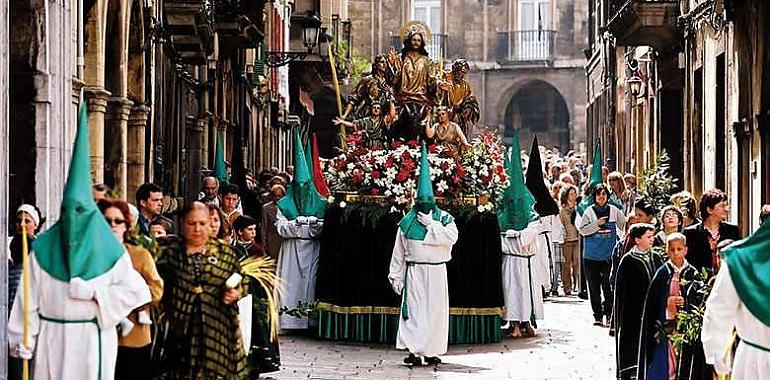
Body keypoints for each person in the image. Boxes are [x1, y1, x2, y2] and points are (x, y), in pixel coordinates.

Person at [8, 102, 151, 380]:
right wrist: (21, 338)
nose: (74, 219)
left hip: (92, 340)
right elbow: (28, 300)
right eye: (68, 212)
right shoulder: (42, 250)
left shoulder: (110, 252)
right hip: (51, 341)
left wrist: (98, 295)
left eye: (80, 212)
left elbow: (139, 291)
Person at [155, 202, 248, 379]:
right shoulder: (170, 254)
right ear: (182, 223)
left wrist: (237, 293)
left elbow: (242, 281)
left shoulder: (225, 253)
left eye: (202, 223)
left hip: (218, 329)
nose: (197, 228)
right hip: (181, 332)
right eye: (192, 223)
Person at [388, 143, 458, 365]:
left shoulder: (444, 219)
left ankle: (431, 350)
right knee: (416, 312)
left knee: (435, 312)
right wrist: (395, 277)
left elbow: (451, 238)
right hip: (415, 272)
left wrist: (432, 226)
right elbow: (398, 252)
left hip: (437, 272)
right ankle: (415, 351)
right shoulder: (407, 222)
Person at [97, 198, 164, 380]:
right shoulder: (91, 256)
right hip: (99, 336)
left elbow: (156, 289)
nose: (112, 226)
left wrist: (131, 302)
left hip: (134, 337)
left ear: (127, 226)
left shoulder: (140, 255)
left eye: (118, 221)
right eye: (106, 221)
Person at [702, 219, 770, 379]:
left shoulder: (740, 259)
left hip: (753, 361)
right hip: (755, 362)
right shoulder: (741, 260)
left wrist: (718, 355)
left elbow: (718, 310)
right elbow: (719, 310)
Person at [637, 233, 708, 380]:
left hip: (684, 331)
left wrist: (686, 303)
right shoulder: (662, 274)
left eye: (679, 249)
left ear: (686, 250)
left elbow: (700, 303)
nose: (676, 253)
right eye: (672, 249)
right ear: (667, 250)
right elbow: (652, 305)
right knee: (664, 365)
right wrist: (666, 303)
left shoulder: (692, 274)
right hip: (664, 328)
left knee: (683, 363)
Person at [275, 133, 327, 330]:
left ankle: (309, 321)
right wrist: (296, 224)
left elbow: (324, 228)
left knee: (309, 284)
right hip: (291, 250)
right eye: (299, 186)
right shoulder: (284, 204)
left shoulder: (320, 204)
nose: (303, 190)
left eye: (306, 186)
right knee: (290, 285)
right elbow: (280, 228)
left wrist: (314, 224)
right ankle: (289, 320)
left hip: (312, 249)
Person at [498, 133, 545, 338]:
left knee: (526, 293)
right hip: (510, 262)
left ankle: (526, 322)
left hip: (526, 262)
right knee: (512, 293)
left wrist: (516, 236)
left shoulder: (531, 216)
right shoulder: (502, 216)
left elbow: (532, 233)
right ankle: (514, 323)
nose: (515, 205)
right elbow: (501, 241)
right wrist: (510, 239)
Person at [613, 223, 661, 380]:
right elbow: (620, 292)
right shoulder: (627, 261)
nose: (652, 239)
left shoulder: (655, 257)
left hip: (652, 311)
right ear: (637, 240)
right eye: (648, 237)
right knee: (631, 343)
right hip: (632, 312)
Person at [578, 184, 627, 326]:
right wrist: (596, 225)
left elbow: (624, 225)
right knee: (594, 288)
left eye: (604, 194)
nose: (601, 197)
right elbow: (582, 230)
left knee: (608, 285)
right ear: (594, 197)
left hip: (609, 256)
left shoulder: (614, 211)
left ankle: (609, 313)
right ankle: (598, 316)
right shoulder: (589, 212)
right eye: (598, 194)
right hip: (591, 257)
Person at [7, 204, 43, 380]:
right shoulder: (8, 245)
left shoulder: (40, 250)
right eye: (18, 220)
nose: (21, 224)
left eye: (27, 221)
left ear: (34, 224)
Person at [682, 188, 741, 276]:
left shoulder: (732, 230)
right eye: (722, 206)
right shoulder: (690, 233)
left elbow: (738, 259)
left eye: (726, 205)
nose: (726, 209)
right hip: (700, 284)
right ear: (709, 209)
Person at [559, 185, 580, 296]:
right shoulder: (562, 211)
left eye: (574, 193)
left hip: (577, 239)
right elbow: (561, 225)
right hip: (567, 240)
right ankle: (567, 287)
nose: (573, 196)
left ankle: (577, 286)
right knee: (566, 264)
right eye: (571, 194)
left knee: (577, 263)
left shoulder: (578, 208)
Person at [261, 184, 286, 261]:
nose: (277, 198)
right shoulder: (266, 208)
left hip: (285, 241)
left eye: (279, 196)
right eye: (275, 196)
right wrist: (264, 245)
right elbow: (264, 228)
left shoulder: (288, 207)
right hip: (272, 242)